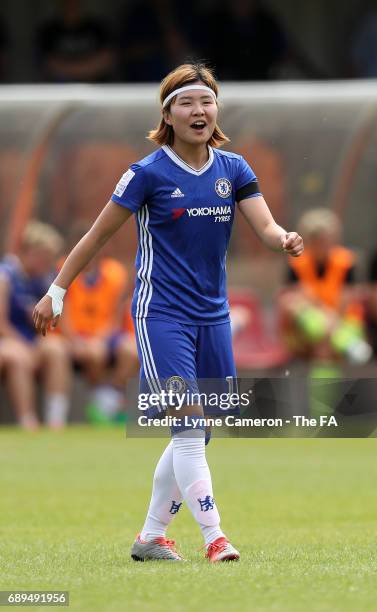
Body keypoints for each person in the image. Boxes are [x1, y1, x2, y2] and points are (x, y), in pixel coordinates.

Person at [32, 63, 303, 562]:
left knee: (199, 429)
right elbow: (96, 236)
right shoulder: (146, 173)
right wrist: (58, 290)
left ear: (216, 109)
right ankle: (215, 537)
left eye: (206, 101)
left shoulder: (235, 169)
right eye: (187, 103)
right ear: (168, 114)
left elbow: (265, 226)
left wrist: (283, 238)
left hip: (213, 317)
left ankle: (151, 537)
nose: (199, 110)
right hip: (162, 316)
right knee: (187, 421)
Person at [0, 221, 71, 430]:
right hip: (8, 339)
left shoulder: (44, 279)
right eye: (43, 256)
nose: (46, 263)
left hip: (31, 340)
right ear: (28, 251)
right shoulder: (6, 276)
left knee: (57, 350)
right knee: (18, 357)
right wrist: (23, 345)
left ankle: (56, 421)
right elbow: (1, 323)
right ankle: (27, 421)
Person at [58, 242, 138, 423]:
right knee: (94, 354)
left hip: (106, 335)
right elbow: (63, 311)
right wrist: (74, 340)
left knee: (132, 350)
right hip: (75, 336)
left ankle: (111, 398)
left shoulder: (114, 272)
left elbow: (116, 316)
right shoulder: (65, 270)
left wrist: (101, 338)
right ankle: (102, 402)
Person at [279, 208, 371, 364]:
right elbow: (291, 302)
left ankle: (340, 339)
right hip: (310, 322)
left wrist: (325, 315)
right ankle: (347, 344)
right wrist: (322, 317)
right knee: (309, 320)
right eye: (316, 240)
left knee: (324, 349)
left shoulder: (346, 261)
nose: (322, 245)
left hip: (345, 321)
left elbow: (347, 300)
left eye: (325, 240)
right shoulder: (296, 264)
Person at [35, 0, 115, 83]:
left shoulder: (97, 28)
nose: (71, 5)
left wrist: (69, 69)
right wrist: (86, 69)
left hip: (96, 88)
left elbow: (107, 59)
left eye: (75, 2)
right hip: (59, 89)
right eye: (67, 2)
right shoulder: (49, 31)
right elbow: (48, 64)